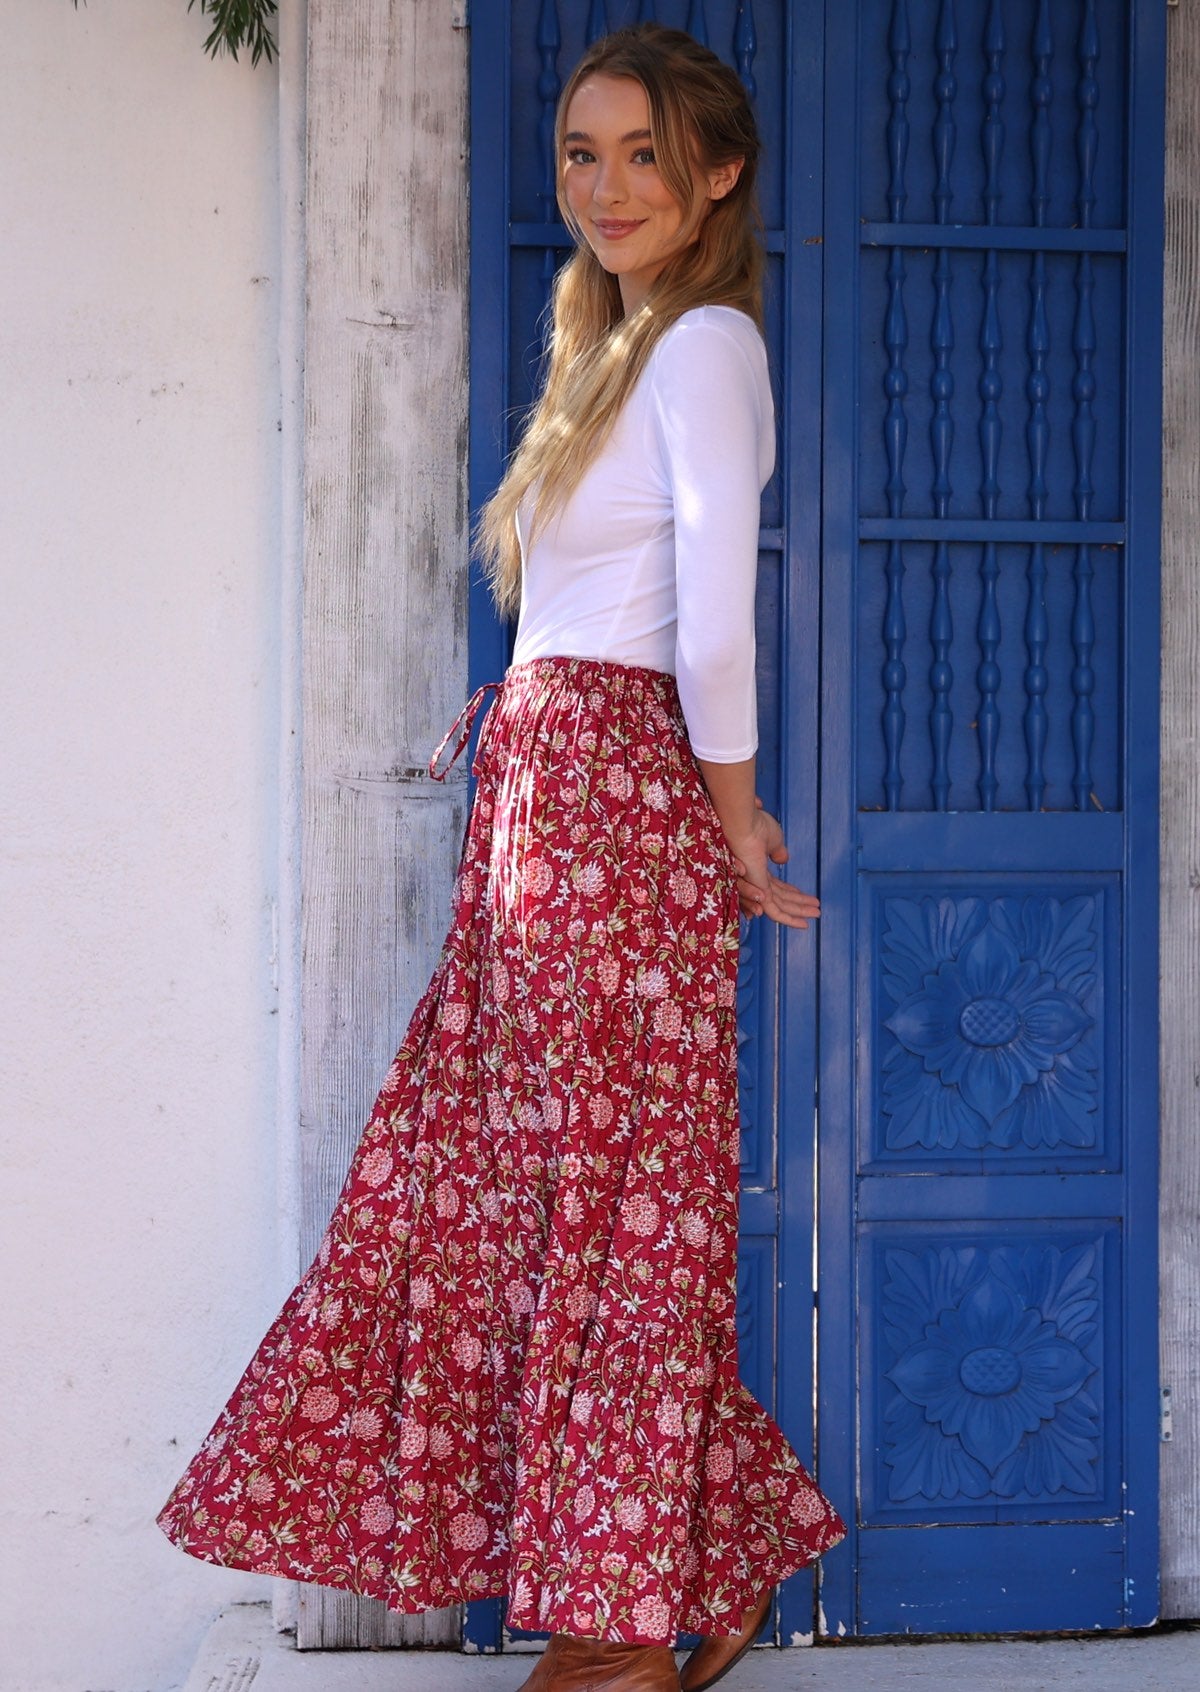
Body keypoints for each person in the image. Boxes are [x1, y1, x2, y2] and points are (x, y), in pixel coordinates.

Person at [155, 22, 845, 1692]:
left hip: (619, 798)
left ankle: (620, 1622)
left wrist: (735, 802)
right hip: (545, 800)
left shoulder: (703, 349)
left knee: (610, 1205)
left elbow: (717, 606)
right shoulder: (602, 347)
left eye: (642, 157)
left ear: (718, 176)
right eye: (579, 155)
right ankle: (718, 1547)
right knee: (525, 1197)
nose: (604, 188)